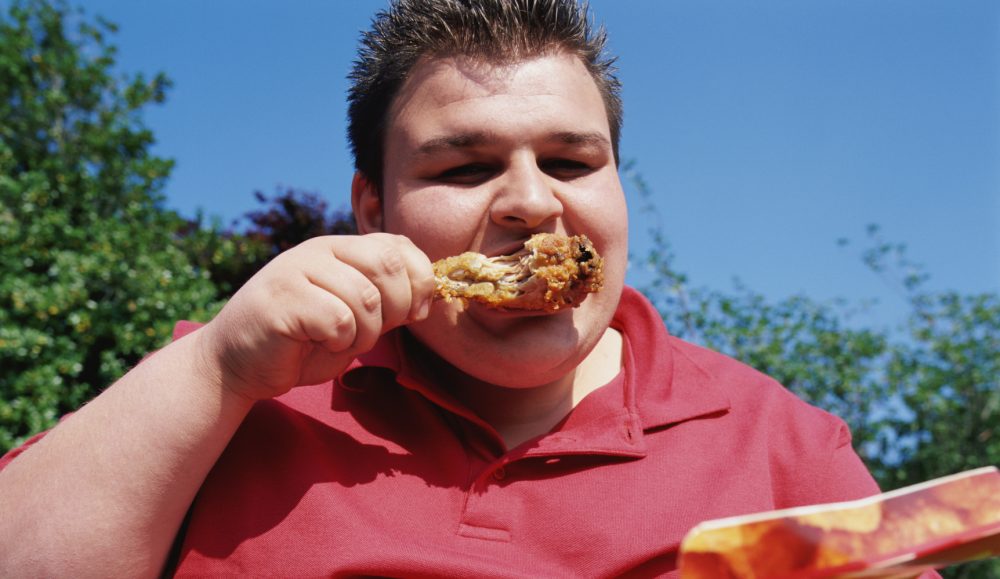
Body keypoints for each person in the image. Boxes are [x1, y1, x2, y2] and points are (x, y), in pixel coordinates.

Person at [0, 0, 925, 577]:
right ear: (373, 206)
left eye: (571, 159)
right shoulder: (241, 392)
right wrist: (213, 370)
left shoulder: (781, 449)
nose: (529, 201)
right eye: (463, 168)